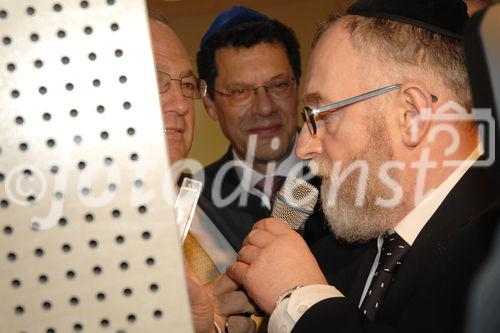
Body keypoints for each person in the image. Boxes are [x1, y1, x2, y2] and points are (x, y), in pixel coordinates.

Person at [189, 0, 500, 332]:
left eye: (322, 116)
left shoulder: (490, 255)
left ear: (411, 114)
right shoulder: (336, 257)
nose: (304, 147)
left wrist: (301, 300)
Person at [194, 6, 329, 256]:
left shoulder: (345, 176)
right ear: (210, 105)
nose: (265, 107)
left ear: (298, 88)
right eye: (240, 91)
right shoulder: (194, 205)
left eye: (278, 85)